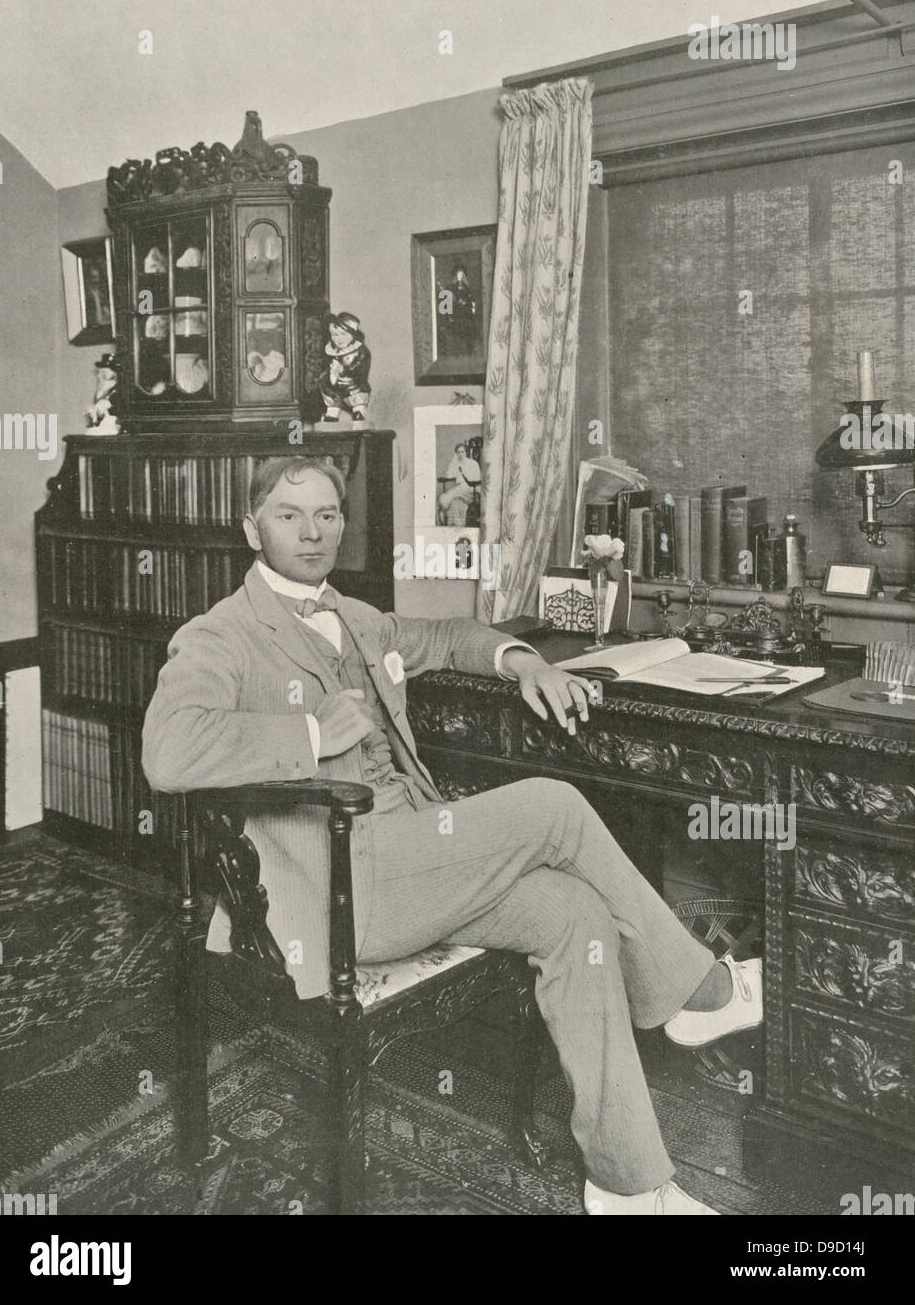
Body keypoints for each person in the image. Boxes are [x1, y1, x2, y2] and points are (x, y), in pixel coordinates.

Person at [142, 456, 763, 1216]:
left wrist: (523, 660)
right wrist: (307, 731)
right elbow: (168, 751)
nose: (312, 532)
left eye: (328, 514)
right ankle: (701, 991)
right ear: (250, 527)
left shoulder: (359, 618)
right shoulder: (220, 635)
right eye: (287, 514)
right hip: (337, 893)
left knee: (576, 915)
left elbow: (450, 633)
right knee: (552, 804)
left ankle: (627, 1183)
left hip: (412, 862)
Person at [317, 312, 371, 422]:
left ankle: (359, 413)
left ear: (353, 334)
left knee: (358, 407)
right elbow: (325, 367)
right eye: (335, 334)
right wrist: (330, 374)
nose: (339, 338)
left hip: (353, 386)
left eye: (343, 334)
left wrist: (343, 370)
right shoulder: (330, 351)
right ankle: (332, 416)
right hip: (334, 386)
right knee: (332, 403)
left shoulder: (360, 352)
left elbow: (361, 370)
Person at [438, 441, 481, 521]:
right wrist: (454, 462)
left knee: (451, 495)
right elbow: (449, 476)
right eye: (458, 452)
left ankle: (443, 511)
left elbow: (477, 479)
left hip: (472, 487)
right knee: (446, 496)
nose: (460, 454)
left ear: (466, 452)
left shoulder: (473, 463)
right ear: (456, 453)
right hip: (461, 487)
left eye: (462, 452)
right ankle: (445, 513)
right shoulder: (456, 463)